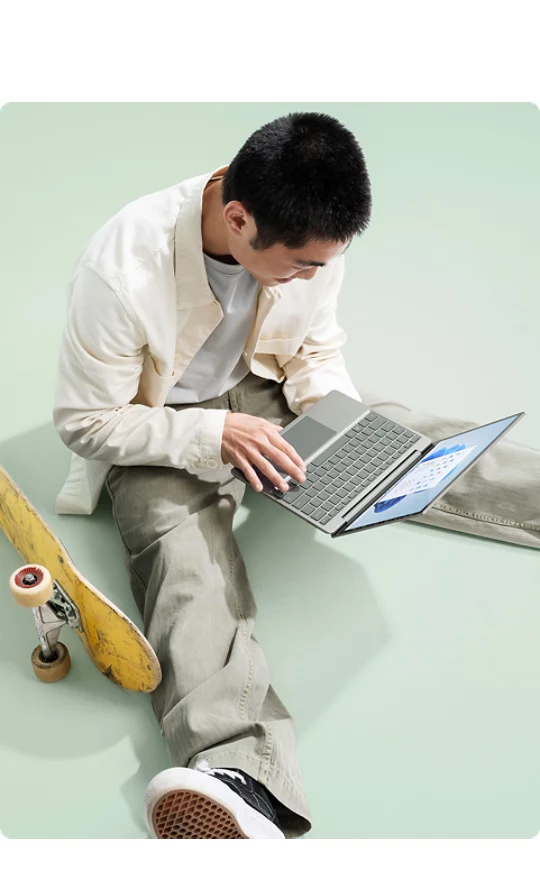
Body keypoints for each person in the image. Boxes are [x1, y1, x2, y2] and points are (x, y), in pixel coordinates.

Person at [53, 112, 540, 840]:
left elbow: (316, 346)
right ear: (239, 218)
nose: (318, 272)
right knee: (181, 559)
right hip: (161, 423)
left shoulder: (314, 233)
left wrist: (330, 421)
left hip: (269, 387)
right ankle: (239, 774)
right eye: (305, 263)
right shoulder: (120, 269)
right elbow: (87, 422)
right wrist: (215, 432)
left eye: (326, 261)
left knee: (396, 434)